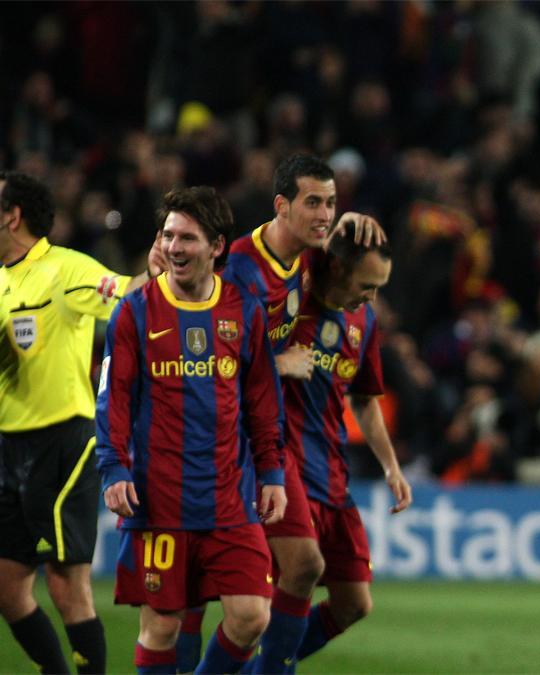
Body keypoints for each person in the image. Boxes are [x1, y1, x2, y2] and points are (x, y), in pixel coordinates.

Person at [180, 153, 387, 673]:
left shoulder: (304, 259)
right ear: (281, 206)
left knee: (293, 575)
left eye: (332, 203)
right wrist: (276, 360)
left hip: (265, 441)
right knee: (206, 594)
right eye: (313, 202)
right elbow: (203, 358)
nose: (324, 214)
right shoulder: (242, 270)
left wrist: (350, 227)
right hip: (220, 439)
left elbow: (343, 267)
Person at [94, 186, 287, 674]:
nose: (175, 248)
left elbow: (263, 403)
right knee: (161, 626)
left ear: (218, 246)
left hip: (229, 495)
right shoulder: (135, 311)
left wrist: (272, 473)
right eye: (168, 236)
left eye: (188, 238)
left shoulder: (244, 311)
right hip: (159, 498)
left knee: (251, 615)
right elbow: (112, 397)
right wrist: (114, 466)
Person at [0, 170, 160, 675]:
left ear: (12, 215)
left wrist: (155, 271)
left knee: (68, 584)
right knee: (7, 587)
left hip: (62, 443)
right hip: (9, 447)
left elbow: (128, 293)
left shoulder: (65, 269)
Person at [260, 222, 411, 671]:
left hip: (331, 470)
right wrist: (342, 219)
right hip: (281, 463)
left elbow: (364, 401)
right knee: (299, 570)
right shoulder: (295, 290)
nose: (372, 297)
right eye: (367, 285)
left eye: (380, 287)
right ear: (339, 267)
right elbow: (291, 235)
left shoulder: (363, 320)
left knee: (354, 603)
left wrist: (391, 467)